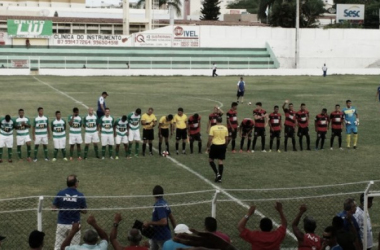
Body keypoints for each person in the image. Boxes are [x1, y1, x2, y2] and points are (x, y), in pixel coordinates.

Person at [52, 175, 87, 250]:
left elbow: (53, 208)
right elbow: (85, 211)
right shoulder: (80, 195)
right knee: (74, 248)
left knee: (58, 247)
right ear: (75, 184)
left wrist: (63, 206)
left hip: (62, 224)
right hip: (75, 225)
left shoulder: (60, 193)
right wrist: (76, 208)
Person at [143, 185, 176, 250]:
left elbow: (164, 222)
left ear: (153, 194)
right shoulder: (164, 203)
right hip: (155, 235)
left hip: (162, 236)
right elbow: (171, 218)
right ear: (162, 194)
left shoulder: (159, 205)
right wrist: (176, 230)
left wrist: (149, 223)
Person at [207, 116, 228, 183]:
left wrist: (208, 146)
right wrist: (225, 146)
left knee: (210, 160)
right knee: (220, 161)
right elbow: (227, 138)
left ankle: (217, 174)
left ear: (216, 121)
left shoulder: (213, 128)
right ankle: (220, 178)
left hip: (215, 145)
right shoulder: (225, 128)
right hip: (222, 145)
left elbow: (210, 138)